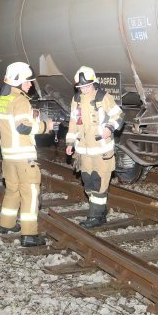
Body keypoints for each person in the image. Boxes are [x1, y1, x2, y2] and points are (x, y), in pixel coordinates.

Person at [0, 62, 54, 247]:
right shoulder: (21, 100)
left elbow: (13, 124)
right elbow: (23, 127)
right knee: (30, 194)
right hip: (23, 156)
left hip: (8, 156)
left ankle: (6, 224)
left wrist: (31, 115)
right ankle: (29, 235)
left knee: (12, 190)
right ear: (19, 81)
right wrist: (46, 126)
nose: (30, 85)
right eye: (28, 81)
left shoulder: (3, 99)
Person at [65, 66, 123, 228]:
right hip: (84, 152)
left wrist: (109, 128)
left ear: (94, 83)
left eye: (87, 86)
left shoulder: (104, 97)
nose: (84, 89)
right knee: (88, 183)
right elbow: (73, 124)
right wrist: (70, 142)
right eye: (81, 87)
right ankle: (101, 212)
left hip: (102, 151)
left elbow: (119, 115)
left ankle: (95, 216)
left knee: (99, 182)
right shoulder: (76, 100)